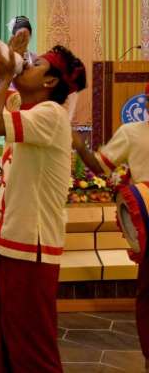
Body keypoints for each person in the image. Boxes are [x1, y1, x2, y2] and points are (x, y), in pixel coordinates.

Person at [0, 37, 87, 373]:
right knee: (2, 343)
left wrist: (9, 73)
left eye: (36, 65)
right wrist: (9, 62)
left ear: (50, 82)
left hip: (31, 248)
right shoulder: (28, 105)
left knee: (31, 350)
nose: (27, 66)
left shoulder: (51, 114)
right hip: (10, 241)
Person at [72, 82, 149, 366]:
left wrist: (79, 146)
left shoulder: (132, 132)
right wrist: (79, 146)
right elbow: (101, 165)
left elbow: (99, 166)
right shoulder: (131, 133)